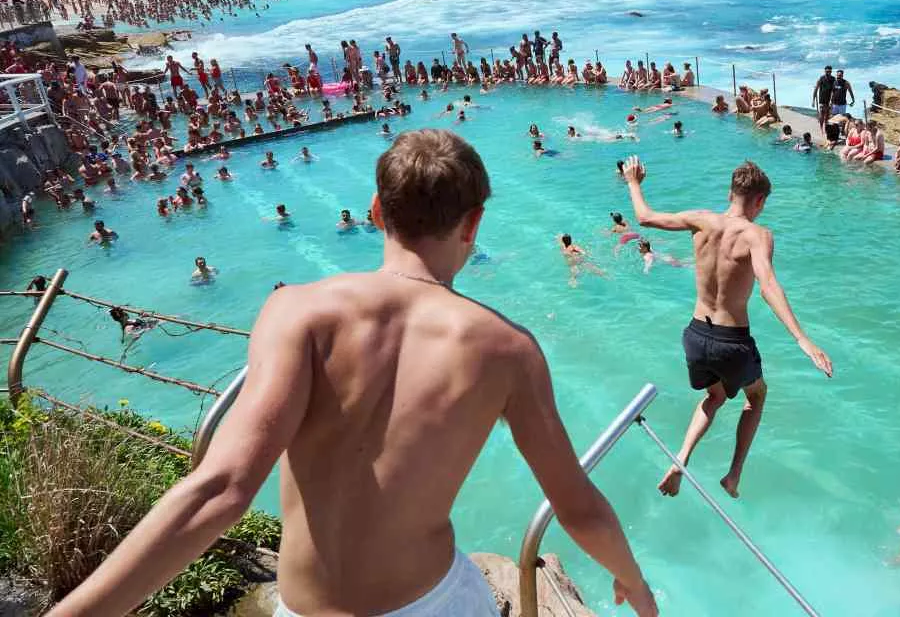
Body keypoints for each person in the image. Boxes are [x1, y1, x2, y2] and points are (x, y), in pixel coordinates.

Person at [49, 129, 657, 617]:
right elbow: (576, 504)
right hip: (436, 602)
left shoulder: (296, 311)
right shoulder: (507, 348)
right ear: (473, 224)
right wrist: (635, 582)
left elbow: (220, 488)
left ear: (374, 210)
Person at [621, 155, 832, 499]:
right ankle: (733, 475)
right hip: (731, 341)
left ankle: (682, 457)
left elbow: (645, 217)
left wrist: (633, 182)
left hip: (695, 335)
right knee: (757, 396)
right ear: (760, 201)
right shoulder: (758, 235)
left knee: (715, 395)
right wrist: (802, 339)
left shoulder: (701, 221)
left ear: (730, 192)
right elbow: (768, 286)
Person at [811, 66, 834, 134]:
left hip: (829, 100)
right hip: (822, 99)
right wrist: (813, 100)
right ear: (824, 71)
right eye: (827, 71)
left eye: (829, 72)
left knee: (827, 116)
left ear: (831, 72)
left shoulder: (833, 79)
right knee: (821, 115)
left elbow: (833, 90)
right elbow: (816, 89)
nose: (828, 73)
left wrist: (831, 101)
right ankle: (821, 128)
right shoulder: (821, 78)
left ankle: (825, 128)